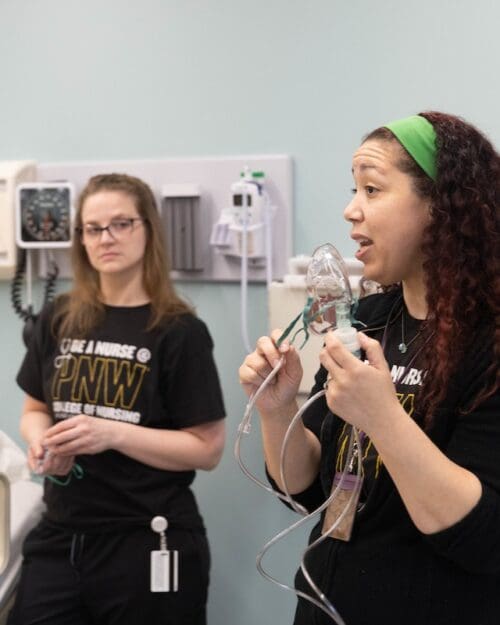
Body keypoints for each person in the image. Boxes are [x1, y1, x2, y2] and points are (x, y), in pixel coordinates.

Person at [239, 112, 499, 625]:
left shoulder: (488, 345)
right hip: (327, 606)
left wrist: (383, 417)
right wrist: (277, 409)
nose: (350, 211)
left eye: (372, 190)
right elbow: (308, 490)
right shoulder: (371, 320)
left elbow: (481, 535)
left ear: (442, 206)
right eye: (353, 190)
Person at [8, 173, 226, 625]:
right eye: (93, 228)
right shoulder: (59, 318)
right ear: (81, 239)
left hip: (145, 538)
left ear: (148, 229)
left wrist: (110, 433)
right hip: (60, 536)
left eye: (121, 224)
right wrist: (45, 443)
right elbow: (34, 411)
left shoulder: (179, 331)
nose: (106, 237)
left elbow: (206, 449)